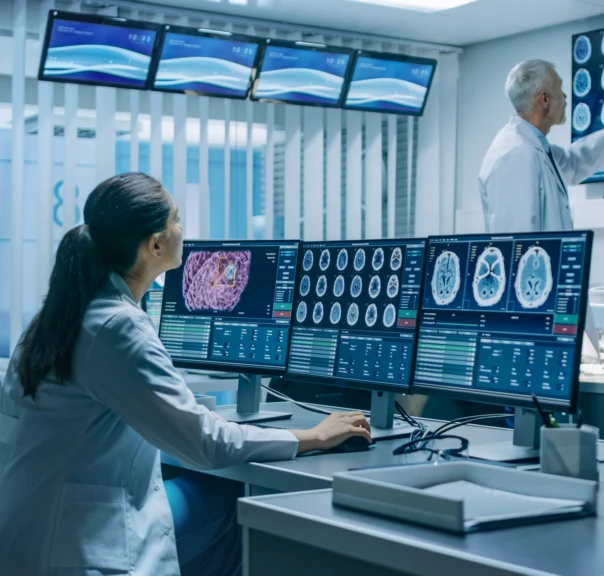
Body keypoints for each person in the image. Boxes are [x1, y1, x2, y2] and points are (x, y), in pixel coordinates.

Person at [0, 173, 372, 575]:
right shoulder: (118, 327)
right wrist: (312, 437)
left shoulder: (59, 314)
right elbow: (203, 444)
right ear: (155, 244)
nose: (182, 231)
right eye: (176, 221)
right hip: (79, 541)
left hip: (33, 524)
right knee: (237, 501)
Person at [479, 59, 604, 233]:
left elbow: (574, 162)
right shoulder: (515, 154)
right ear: (545, 99)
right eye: (560, 89)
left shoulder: (535, 148)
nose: (565, 97)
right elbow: (516, 241)